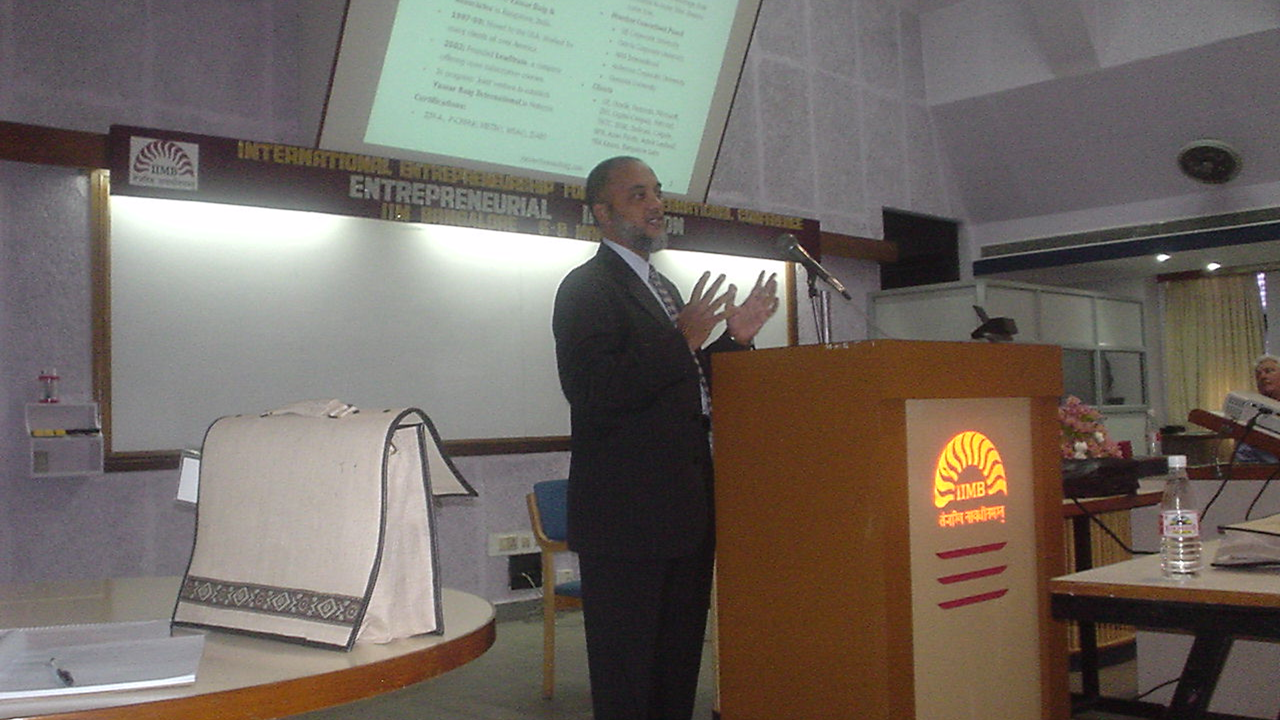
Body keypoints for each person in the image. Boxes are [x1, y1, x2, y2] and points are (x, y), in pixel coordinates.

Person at [551, 156, 778, 720]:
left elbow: (691, 389)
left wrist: (735, 341)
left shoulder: (664, 288)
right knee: (628, 678)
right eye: (636, 195)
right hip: (627, 518)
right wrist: (682, 341)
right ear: (602, 213)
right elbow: (592, 390)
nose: (655, 205)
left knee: (676, 669)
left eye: (656, 192)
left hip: (684, 511)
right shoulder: (586, 288)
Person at [1235, 354, 1280, 464]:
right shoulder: (1252, 411)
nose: (1263, 376)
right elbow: (1244, 453)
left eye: (1269, 371)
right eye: (1258, 374)